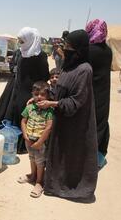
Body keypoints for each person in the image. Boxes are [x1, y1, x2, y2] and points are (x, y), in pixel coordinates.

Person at [37, 30, 98, 203]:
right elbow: (58, 89)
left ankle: (74, 190)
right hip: (62, 120)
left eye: (69, 47)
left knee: (72, 156)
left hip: (75, 124)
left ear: (79, 50)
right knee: (58, 154)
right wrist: (41, 97)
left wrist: (52, 104)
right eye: (65, 45)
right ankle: (53, 185)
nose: (65, 49)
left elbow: (76, 101)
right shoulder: (68, 66)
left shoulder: (84, 70)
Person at [0, 27, 49, 136]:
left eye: (22, 41)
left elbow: (44, 76)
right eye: (19, 41)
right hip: (17, 88)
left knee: (26, 115)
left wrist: (37, 94)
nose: (20, 43)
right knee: (12, 110)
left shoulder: (41, 56)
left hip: (31, 91)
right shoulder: (21, 52)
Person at [18, 81, 53, 198]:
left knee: (40, 161)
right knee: (32, 158)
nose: (39, 97)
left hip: (40, 143)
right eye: (36, 94)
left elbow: (48, 127)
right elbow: (23, 121)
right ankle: (32, 175)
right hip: (29, 140)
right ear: (32, 94)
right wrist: (25, 135)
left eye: (42, 94)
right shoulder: (29, 107)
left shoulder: (49, 111)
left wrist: (40, 142)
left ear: (47, 96)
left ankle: (39, 182)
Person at [86, 19, 113, 169]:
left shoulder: (89, 50)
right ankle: (95, 157)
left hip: (90, 93)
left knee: (86, 125)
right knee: (99, 123)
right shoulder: (108, 50)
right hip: (103, 95)